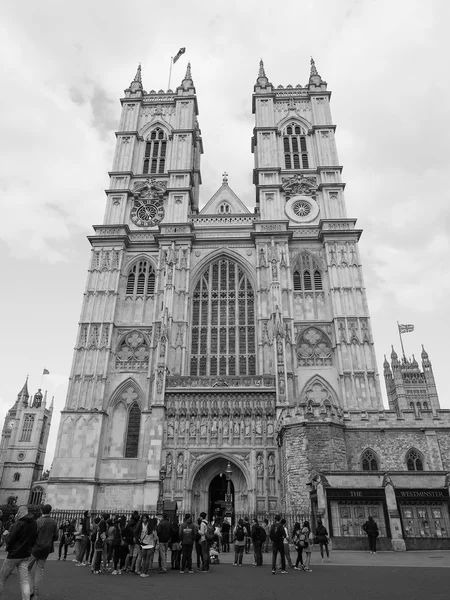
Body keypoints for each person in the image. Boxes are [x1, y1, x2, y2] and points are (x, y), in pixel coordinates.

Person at [0, 505, 37, 600]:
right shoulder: (34, 523)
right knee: (24, 581)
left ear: (20, 513)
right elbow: (34, 538)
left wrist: (5, 537)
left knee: (2, 578)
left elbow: (10, 540)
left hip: (13, 556)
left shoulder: (17, 524)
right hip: (25, 554)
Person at [28, 504, 59, 599]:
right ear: (50, 511)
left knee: (26, 568)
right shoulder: (53, 522)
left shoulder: (38, 521)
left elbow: (33, 535)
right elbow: (56, 536)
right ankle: (36, 593)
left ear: (41, 511)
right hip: (46, 549)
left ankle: (30, 590)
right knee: (39, 571)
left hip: (35, 548)